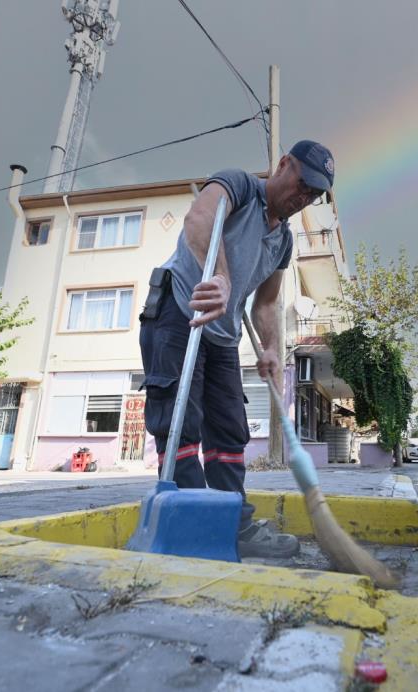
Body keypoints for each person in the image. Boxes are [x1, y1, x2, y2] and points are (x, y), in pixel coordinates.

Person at [139, 140, 335, 558]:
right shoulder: (239, 185)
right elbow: (199, 218)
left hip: (224, 335)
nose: (304, 198)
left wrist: (269, 348)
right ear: (284, 165)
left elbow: (265, 303)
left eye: (313, 195)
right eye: (303, 185)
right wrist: (223, 278)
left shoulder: (282, 241)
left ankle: (232, 523)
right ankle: (192, 521)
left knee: (229, 433)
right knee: (181, 424)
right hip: (180, 313)